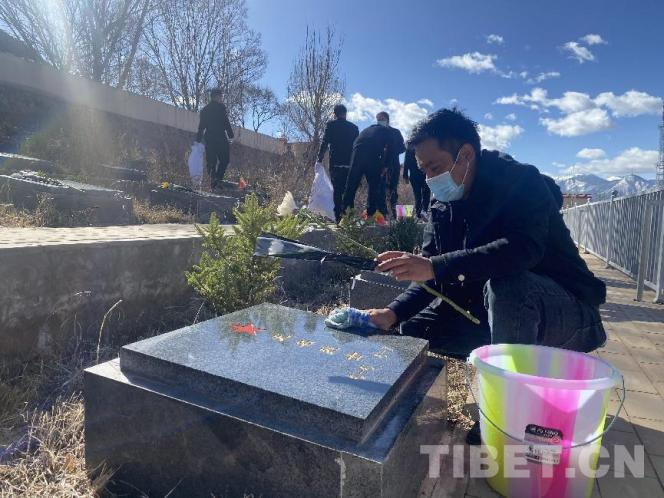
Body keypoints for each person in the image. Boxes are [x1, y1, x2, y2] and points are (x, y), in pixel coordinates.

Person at [365, 108, 607, 443]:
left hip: (563, 313)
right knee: (411, 331)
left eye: (434, 167)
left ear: (465, 154)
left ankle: (506, 412)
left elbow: (524, 249)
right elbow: (433, 275)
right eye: (423, 170)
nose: (429, 179)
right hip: (496, 315)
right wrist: (393, 312)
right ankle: (491, 382)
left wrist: (436, 266)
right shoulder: (442, 204)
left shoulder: (520, 182)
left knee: (509, 284)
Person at [342, 116, 394, 217]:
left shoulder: (367, 129)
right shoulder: (386, 131)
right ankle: (371, 214)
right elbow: (391, 149)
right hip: (372, 155)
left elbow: (356, 143)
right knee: (374, 185)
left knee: (351, 185)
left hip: (356, 154)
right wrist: (386, 166)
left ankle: (345, 214)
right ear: (387, 123)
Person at [317, 104, 360, 222]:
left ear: (335, 114)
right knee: (349, 191)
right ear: (345, 114)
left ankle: (338, 218)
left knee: (337, 191)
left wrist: (319, 158)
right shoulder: (354, 128)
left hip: (336, 164)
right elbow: (357, 148)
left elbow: (325, 142)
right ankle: (349, 218)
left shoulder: (331, 125)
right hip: (350, 165)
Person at [196, 88, 234, 190]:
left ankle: (214, 181)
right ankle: (217, 179)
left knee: (212, 161)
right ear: (217, 96)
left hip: (211, 138)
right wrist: (231, 135)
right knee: (224, 160)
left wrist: (198, 139)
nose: (221, 98)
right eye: (221, 96)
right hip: (219, 137)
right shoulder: (219, 108)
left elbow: (201, 127)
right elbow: (226, 122)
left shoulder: (205, 110)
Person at [377, 112, 406, 218]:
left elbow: (403, 148)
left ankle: (398, 216)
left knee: (393, 190)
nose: (380, 121)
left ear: (387, 120)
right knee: (380, 190)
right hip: (380, 166)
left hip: (393, 165)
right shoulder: (376, 133)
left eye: (382, 119)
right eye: (378, 119)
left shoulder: (395, 132)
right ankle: (382, 216)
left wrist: (391, 151)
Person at [403, 148, 430, 218]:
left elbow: (406, 162)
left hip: (414, 175)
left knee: (417, 195)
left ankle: (419, 213)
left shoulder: (409, 149)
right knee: (426, 193)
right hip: (424, 174)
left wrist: (405, 175)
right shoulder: (423, 146)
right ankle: (424, 211)